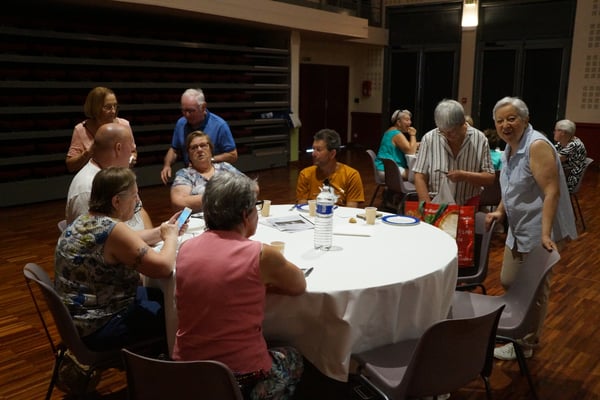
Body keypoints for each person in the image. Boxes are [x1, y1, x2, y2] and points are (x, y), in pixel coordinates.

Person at [173, 172, 306, 399]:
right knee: (293, 357)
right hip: (241, 376)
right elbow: (298, 285)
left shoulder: (186, 248)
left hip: (189, 369)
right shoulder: (261, 254)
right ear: (246, 215)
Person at [486, 97, 577, 361]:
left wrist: (545, 234)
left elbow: (552, 191)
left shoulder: (536, 146)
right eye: (500, 121)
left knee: (535, 290)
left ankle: (525, 343)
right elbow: (510, 185)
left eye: (511, 118)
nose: (505, 125)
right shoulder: (510, 146)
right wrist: (500, 211)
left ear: (525, 120)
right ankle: (519, 329)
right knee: (509, 280)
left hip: (540, 228)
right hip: (519, 226)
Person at [55, 167, 183, 352]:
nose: (137, 201)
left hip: (78, 323)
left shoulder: (85, 220)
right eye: (134, 195)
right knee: (177, 311)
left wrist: (161, 231)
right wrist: (171, 237)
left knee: (160, 296)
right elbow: (163, 268)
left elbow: (128, 240)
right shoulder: (113, 229)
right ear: (116, 201)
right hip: (100, 327)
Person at [65, 123, 153, 234]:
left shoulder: (119, 175)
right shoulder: (87, 187)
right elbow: (95, 239)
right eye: (130, 149)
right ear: (118, 148)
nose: (132, 156)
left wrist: (154, 236)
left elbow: (139, 210)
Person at [412, 99, 495, 205]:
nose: (448, 135)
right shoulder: (429, 138)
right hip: (437, 203)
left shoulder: (479, 139)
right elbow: (420, 175)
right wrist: (426, 205)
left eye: (452, 131)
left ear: (462, 123)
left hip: (468, 204)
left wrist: (465, 176)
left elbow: (489, 178)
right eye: (443, 131)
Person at [160, 88, 238, 184]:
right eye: (184, 110)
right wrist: (167, 165)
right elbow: (174, 149)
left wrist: (209, 160)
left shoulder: (220, 125)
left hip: (216, 178)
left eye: (191, 111)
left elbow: (233, 155)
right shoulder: (181, 123)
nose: (187, 115)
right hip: (191, 177)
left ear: (203, 107)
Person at [66, 86, 136, 173]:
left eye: (115, 106)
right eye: (108, 107)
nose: (113, 111)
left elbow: (133, 151)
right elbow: (70, 166)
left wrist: (130, 160)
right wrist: (88, 152)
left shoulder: (124, 125)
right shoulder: (81, 129)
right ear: (95, 108)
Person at [170, 131, 243, 212]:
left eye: (203, 145)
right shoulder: (185, 174)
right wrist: (223, 196)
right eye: (194, 147)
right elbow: (178, 203)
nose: (199, 150)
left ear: (211, 149)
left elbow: (250, 187)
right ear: (188, 154)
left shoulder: (225, 167)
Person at [296, 129, 365, 207]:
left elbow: (351, 210)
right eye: (313, 149)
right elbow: (302, 208)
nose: (313, 154)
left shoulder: (351, 176)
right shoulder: (305, 174)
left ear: (332, 154)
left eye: (318, 150)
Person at [375, 109, 419, 180]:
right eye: (407, 120)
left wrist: (417, 144)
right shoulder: (396, 134)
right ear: (398, 122)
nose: (410, 122)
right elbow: (411, 151)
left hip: (383, 167)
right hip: (387, 170)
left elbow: (405, 145)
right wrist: (412, 135)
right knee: (418, 176)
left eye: (410, 120)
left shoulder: (390, 130)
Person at [553, 119, 587, 192]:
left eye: (556, 130)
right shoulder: (562, 142)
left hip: (569, 180)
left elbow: (556, 159)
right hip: (563, 174)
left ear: (563, 132)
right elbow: (551, 151)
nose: (554, 132)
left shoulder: (574, 144)